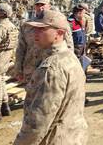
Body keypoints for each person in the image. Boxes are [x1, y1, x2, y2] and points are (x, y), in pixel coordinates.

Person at [13, 10, 87, 145]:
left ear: (59, 33)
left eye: (42, 29)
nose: (35, 33)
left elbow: (38, 122)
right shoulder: (70, 58)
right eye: (34, 29)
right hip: (73, 136)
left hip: (55, 139)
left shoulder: (51, 68)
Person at [15, 0, 73, 85]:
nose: (40, 7)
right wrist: (18, 69)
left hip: (52, 68)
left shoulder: (59, 23)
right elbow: (21, 48)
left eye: (43, 5)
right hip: (31, 69)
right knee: (31, 95)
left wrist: (69, 66)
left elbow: (69, 46)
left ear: (49, 6)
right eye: (37, 5)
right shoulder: (26, 25)